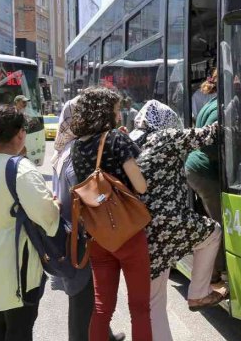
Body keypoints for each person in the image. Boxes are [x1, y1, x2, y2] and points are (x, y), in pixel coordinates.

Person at [130, 101, 225, 341]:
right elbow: (211, 133)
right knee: (212, 232)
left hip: (137, 228)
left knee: (154, 304)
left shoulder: (133, 141)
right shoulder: (168, 137)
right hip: (167, 224)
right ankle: (199, 292)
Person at [0, 106, 60, 341]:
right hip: (17, 263)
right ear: (19, 134)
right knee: (19, 327)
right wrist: (56, 205)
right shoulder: (20, 168)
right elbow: (48, 217)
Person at [70, 87, 152, 341]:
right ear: (105, 111)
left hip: (98, 234)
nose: (119, 114)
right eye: (117, 110)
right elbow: (140, 186)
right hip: (127, 232)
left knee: (102, 308)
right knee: (139, 308)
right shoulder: (116, 139)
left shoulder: (77, 146)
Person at [51, 96, 124, 341]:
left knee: (88, 301)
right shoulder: (77, 152)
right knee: (83, 303)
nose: (118, 117)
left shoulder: (66, 148)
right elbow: (83, 200)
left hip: (74, 238)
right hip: (81, 241)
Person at [184, 69, 227, 284]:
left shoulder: (213, 102)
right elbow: (211, 147)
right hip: (203, 169)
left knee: (214, 219)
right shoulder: (222, 107)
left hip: (196, 168)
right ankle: (214, 273)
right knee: (217, 224)